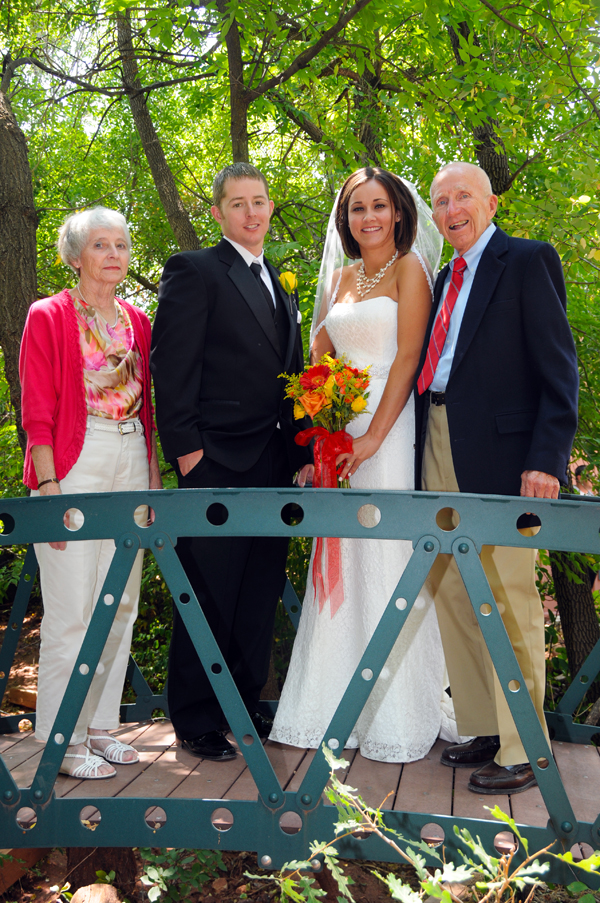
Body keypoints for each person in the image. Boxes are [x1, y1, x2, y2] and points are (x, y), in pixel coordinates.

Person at [270, 167, 462, 763]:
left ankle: (397, 712)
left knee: (384, 553)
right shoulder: (341, 277)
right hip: (340, 428)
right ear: (346, 218)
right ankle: (331, 706)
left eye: (379, 206)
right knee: (343, 556)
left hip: (388, 422)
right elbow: (318, 359)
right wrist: (322, 438)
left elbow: (408, 358)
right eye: (357, 208)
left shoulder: (409, 270)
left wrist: (375, 437)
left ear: (400, 213)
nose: (368, 217)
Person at [416, 161, 579, 794]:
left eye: (462, 196)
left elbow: (558, 371)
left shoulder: (528, 260)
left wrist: (544, 460)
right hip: (437, 438)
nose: (451, 208)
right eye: (440, 201)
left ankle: (522, 747)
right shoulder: (439, 278)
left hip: (508, 457)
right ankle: (482, 724)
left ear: (488, 202)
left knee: (509, 595)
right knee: (454, 586)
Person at [150, 162, 312, 762]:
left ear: (271, 208)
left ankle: (239, 706)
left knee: (258, 588)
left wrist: (299, 452)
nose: (252, 212)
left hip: (273, 461)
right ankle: (194, 719)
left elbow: (291, 378)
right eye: (238, 203)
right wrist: (187, 452)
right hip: (215, 457)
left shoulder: (282, 279)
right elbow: (172, 364)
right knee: (208, 588)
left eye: (260, 201)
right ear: (218, 213)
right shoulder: (195, 270)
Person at [20, 206, 162, 780]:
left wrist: (153, 481)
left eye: (121, 245)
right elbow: (36, 408)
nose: (113, 254)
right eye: (100, 245)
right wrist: (49, 484)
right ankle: (63, 736)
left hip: (131, 455)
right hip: (75, 462)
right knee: (72, 609)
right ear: (75, 256)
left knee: (120, 601)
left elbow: (149, 408)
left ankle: (101, 726)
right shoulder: (49, 315)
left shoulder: (138, 320)